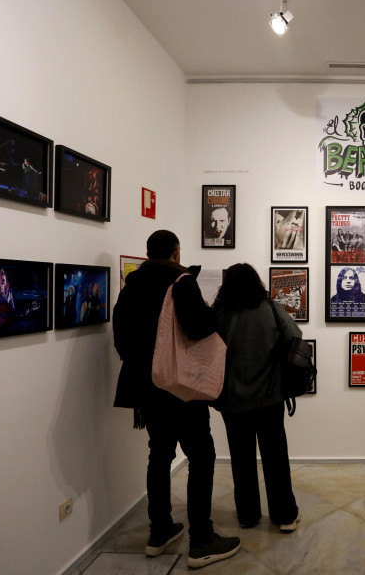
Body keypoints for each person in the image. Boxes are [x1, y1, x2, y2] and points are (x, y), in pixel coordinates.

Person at [112, 230, 240, 570]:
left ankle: (160, 532)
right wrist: (213, 309)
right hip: (178, 386)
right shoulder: (181, 280)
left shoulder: (132, 284)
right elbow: (199, 328)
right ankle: (201, 540)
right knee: (202, 456)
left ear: (149, 252)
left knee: (160, 454)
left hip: (146, 388)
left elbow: (120, 336)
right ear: (175, 252)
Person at [212, 263, 301, 532]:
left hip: (232, 400)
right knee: (275, 458)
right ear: (256, 282)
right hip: (269, 397)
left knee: (241, 460)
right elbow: (295, 336)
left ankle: (248, 516)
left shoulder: (218, 314)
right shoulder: (271, 309)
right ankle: (284, 516)